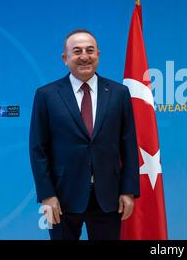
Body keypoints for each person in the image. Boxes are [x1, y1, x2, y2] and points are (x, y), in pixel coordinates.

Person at [29, 29, 139, 240]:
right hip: (62, 198)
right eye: (77, 51)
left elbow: (129, 144)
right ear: (65, 58)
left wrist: (129, 191)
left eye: (90, 50)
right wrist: (47, 195)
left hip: (108, 197)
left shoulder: (119, 93)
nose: (84, 56)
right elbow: (38, 149)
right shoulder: (46, 95)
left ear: (98, 54)